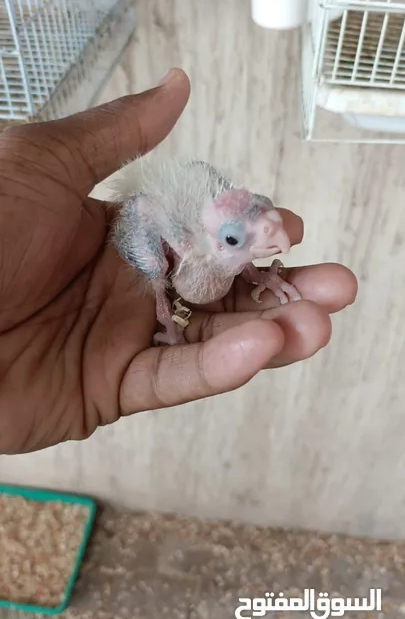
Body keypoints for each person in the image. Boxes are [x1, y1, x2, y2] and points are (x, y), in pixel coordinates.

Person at [0, 69, 357, 455]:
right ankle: (167, 318)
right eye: (240, 238)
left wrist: (257, 272)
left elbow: (232, 250)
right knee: (157, 271)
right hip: (165, 232)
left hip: (207, 233)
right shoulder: (185, 243)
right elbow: (172, 225)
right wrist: (169, 326)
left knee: (233, 257)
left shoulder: (224, 238)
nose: (274, 241)